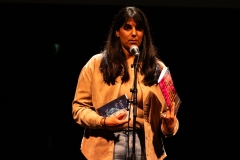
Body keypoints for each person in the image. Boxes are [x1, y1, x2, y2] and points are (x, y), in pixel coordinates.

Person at [72, 6, 179, 160]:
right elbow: (79, 108)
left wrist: (169, 126)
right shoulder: (96, 64)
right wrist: (103, 121)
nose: (134, 33)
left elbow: (169, 115)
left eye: (139, 28)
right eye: (127, 27)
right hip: (106, 143)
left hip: (145, 146)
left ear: (144, 33)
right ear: (117, 31)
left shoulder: (157, 68)